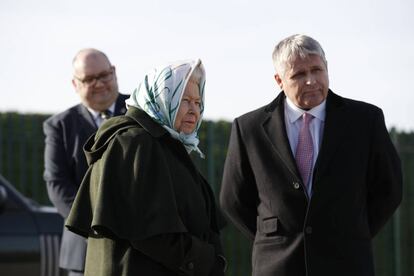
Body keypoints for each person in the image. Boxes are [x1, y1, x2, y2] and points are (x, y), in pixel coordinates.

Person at [220, 34, 402, 276]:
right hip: (278, 265)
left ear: (327, 67)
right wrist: (273, 235)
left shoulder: (365, 120)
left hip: (347, 263)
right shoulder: (249, 128)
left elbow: (389, 189)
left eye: (317, 70)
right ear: (279, 80)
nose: (311, 81)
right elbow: (233, 200)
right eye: (298, 74)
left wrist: (353, 230)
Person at [65, 59, 226, 276]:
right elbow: (152, 232)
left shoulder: (164, 143)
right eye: (184, 100)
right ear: (160, 98)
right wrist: (207, 261)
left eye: (198, 102)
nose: (194, 110)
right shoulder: (135, 142)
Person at [43, 48, 129, 276]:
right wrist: (96, 223)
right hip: (83, 248)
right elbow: (57, 183)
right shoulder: (59, 126)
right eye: (90, 79)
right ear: (75, 84)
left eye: (104, 75)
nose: (99, 84)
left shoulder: (140, 113)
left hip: (137, 248)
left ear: (114, 72)